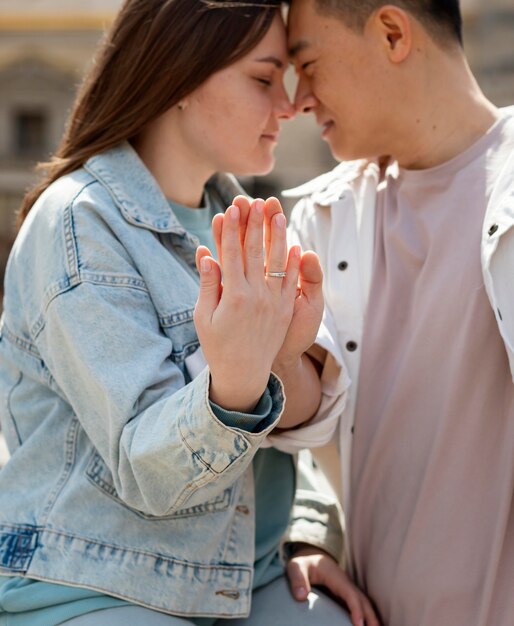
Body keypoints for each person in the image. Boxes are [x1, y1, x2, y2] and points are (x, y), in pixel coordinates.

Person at [0, 1, 380, 625]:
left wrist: (307, 534)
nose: (288, 105)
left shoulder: (250, 215)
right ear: (178, 75)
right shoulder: (78, 222)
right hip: (100, 582)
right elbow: (148, 472)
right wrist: (238, 377)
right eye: (263, 79)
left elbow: (295, 431)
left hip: (243, 578)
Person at [282, 0, 514, 624]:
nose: (296, 99)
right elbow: (310, 437)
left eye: (307, 63)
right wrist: (309, 532)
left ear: (391, 33)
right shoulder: (318, 222)